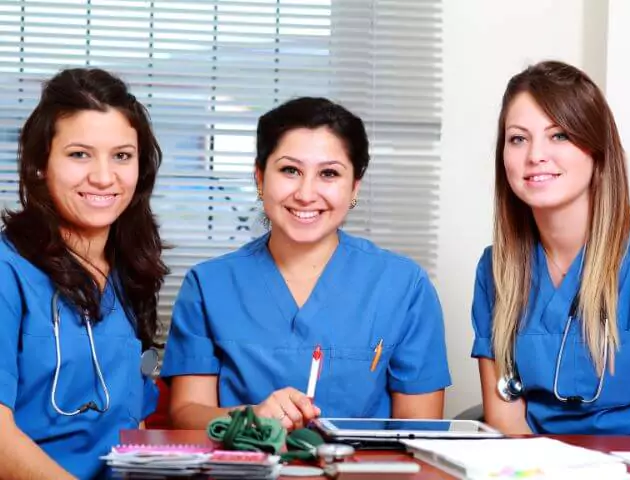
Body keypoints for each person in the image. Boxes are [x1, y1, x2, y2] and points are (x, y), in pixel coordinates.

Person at [161, 97, 451, 431]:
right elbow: (186, 414)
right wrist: (250, 419)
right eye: (290, 170)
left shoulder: (403, 286)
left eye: (329, 174)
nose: (306, 193)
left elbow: (420, 428)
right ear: (259, 178)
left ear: (354, 186)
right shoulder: (208, 286)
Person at [0, 68, 168, 479]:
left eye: (122, 156)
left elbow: (132, 425)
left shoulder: (130, 273)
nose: (104, 177)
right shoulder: (8, 273)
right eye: (79, 154)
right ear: (40, 164)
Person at [471, 60, 630, 434]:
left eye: (559, 135)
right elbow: (506, 420)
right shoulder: (495, 269)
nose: (535, 155)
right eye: (518, 138)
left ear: (597, 149)